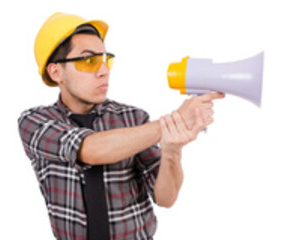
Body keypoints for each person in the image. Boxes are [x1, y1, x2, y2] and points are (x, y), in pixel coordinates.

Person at [17, 12, 222, 240]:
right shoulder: (35, 122)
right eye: (88, 61)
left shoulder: (133, 119)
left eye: (105, 59)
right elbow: (90, 150)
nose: (104, 70)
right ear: (56, 72)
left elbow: (166, 198)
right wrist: (170, 122)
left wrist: (172, 151)